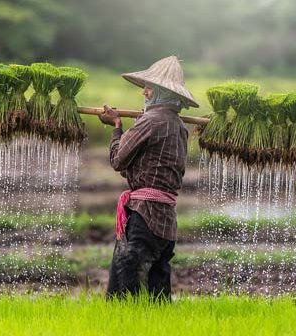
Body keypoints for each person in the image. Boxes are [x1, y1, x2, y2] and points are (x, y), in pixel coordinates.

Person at [98, 56, 199, 301]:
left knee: (126, 270)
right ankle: (154, 321)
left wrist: (116, 126)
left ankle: (126, 320)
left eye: (149, 88)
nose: (144, 92)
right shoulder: (178, 126)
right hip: (166, 218)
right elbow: (145, 165)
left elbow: (118, 161)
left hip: (145, 213)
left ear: (161, 93)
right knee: (158, 278)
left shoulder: (150, 122)